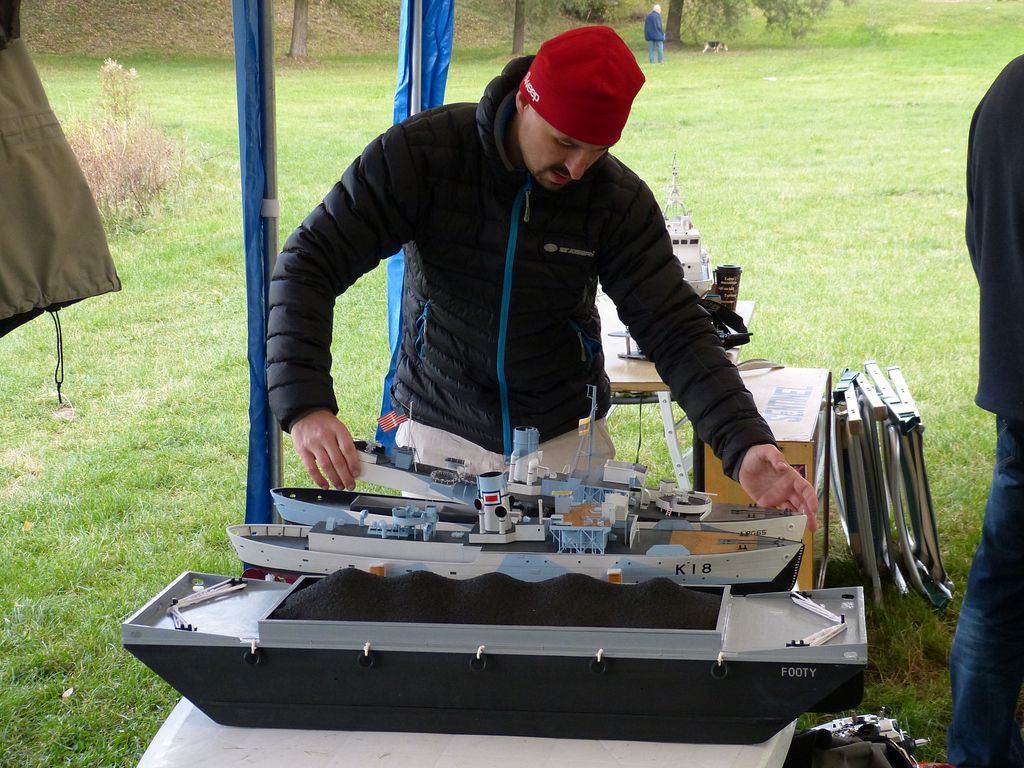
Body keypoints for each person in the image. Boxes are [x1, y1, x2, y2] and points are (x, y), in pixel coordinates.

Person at [267, 25, 817, 530]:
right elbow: (309, 260)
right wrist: (306, 405)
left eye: (596, 151)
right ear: (525, 101)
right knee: (435, 597)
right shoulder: (422, 156)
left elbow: (674, 328)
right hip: (437, 434)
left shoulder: (616, 200)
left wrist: (744, 442)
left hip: (565, 442)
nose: (576, 169)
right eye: (565, 142)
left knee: (575, 598)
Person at [947, 54, 1024, 768]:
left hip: (1017, 376)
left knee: (1002, 582)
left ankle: (980, 752)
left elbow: (981, 237)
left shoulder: (1006, 88)